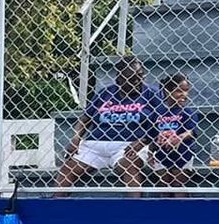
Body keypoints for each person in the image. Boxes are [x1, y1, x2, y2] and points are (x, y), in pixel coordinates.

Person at [57, 56, 163, 189]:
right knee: (68, 169)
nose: (137, 81)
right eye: (131, 79)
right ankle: (55, 200)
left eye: (140, 76)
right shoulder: (105, 93)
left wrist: (143, 141)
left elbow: (163, 121)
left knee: (129, 166)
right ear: (119, 78)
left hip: (129, 144)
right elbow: (85, 119)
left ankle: (135, 202)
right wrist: (76, 138)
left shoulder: (152, 94)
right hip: (95, 144)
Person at [148, 73, 200, 191]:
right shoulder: (157, 113)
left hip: (183, 154)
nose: (184, 95)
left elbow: (191, 131)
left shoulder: (188, 112)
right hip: (161, 155)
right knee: (163, 186)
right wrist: (150, 153)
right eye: (179, 91)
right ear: (167, 92)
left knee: (178, 185)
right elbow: (151, 135)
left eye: (186, 91)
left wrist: (179, 138)